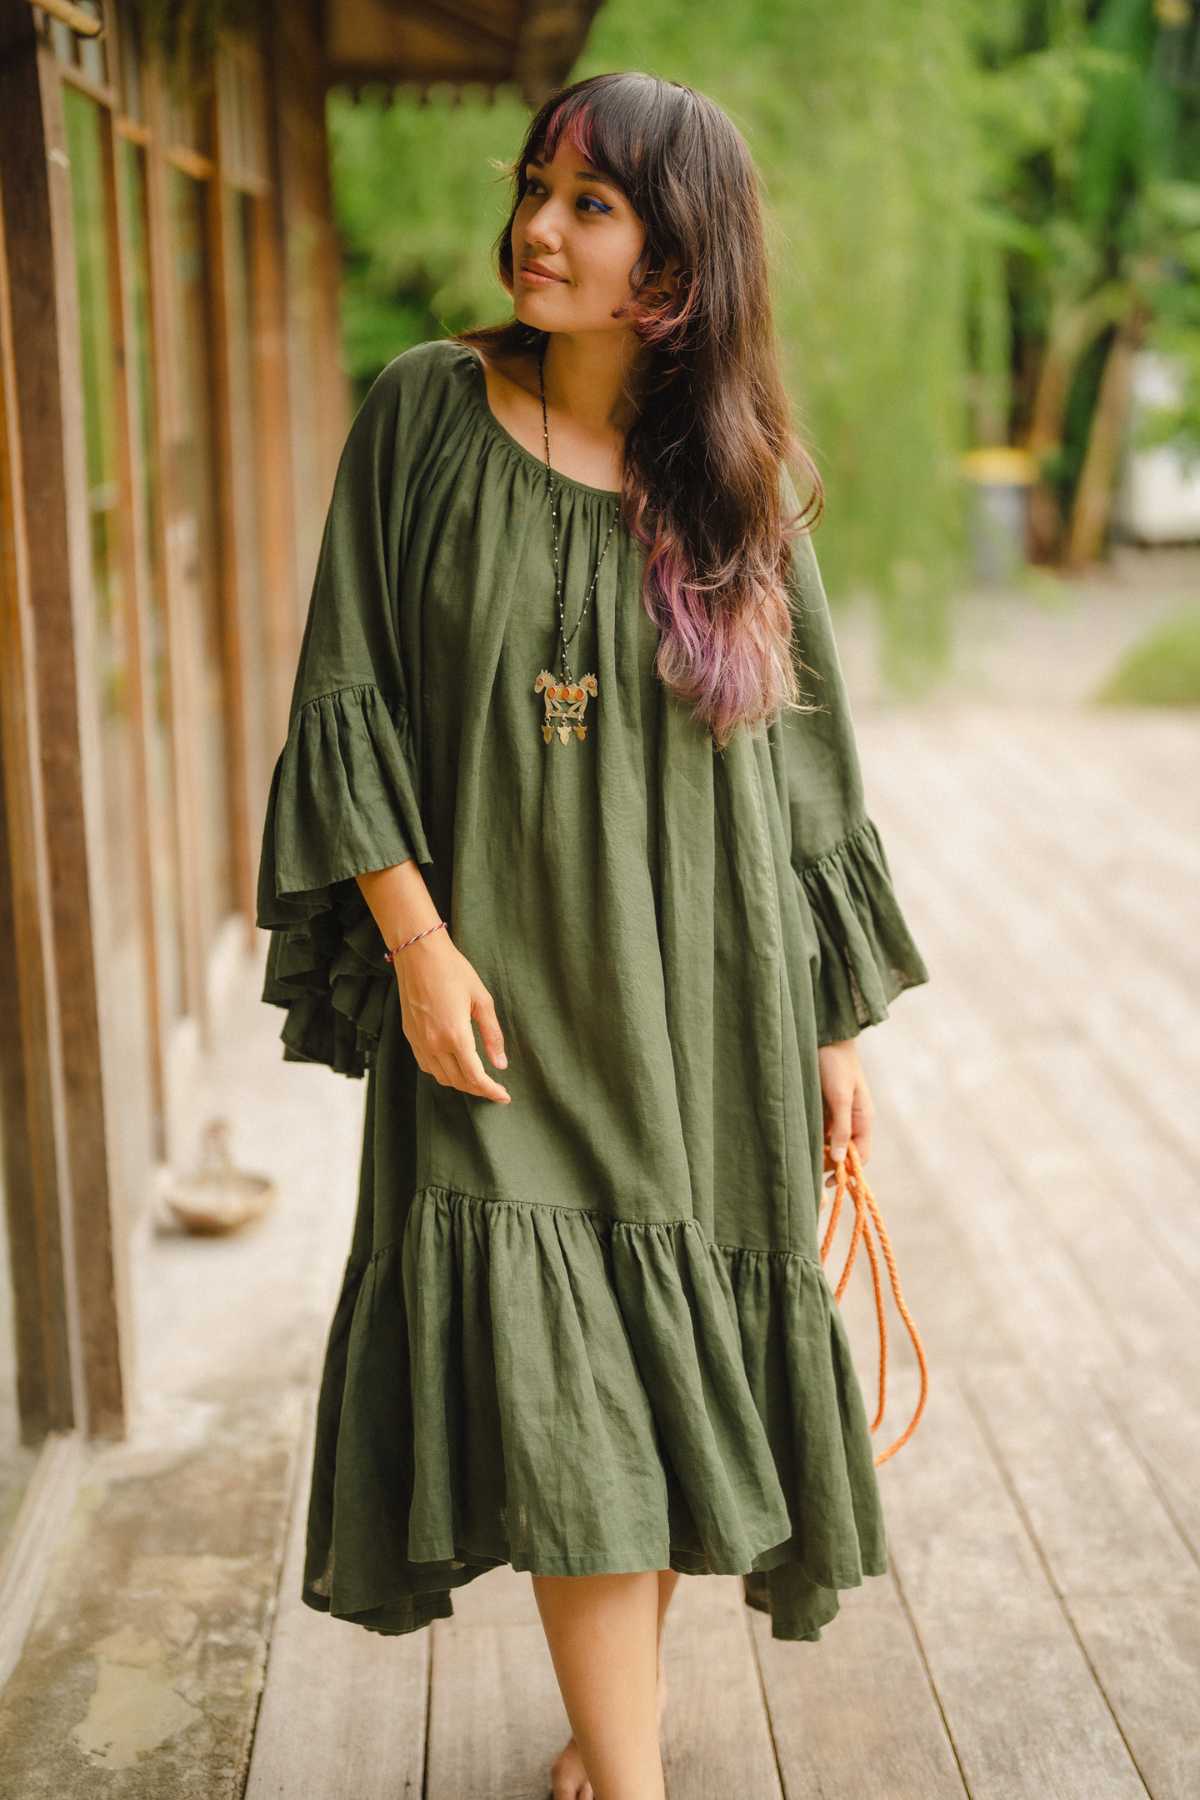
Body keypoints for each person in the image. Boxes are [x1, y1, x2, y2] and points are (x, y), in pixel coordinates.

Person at [256, 69, 931, 1800]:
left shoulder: (742, 484)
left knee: (640, 1372)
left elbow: (797, 775)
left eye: (592, 204)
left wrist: (831, 1030)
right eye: (538, 186)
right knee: (559, 1371)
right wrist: (415, 942)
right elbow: (345, 692)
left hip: (699, 998)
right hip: (499, 995)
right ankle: (629, 1779)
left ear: (680, 262)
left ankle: (604, 1740)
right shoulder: (421, 412)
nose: (539, 229)